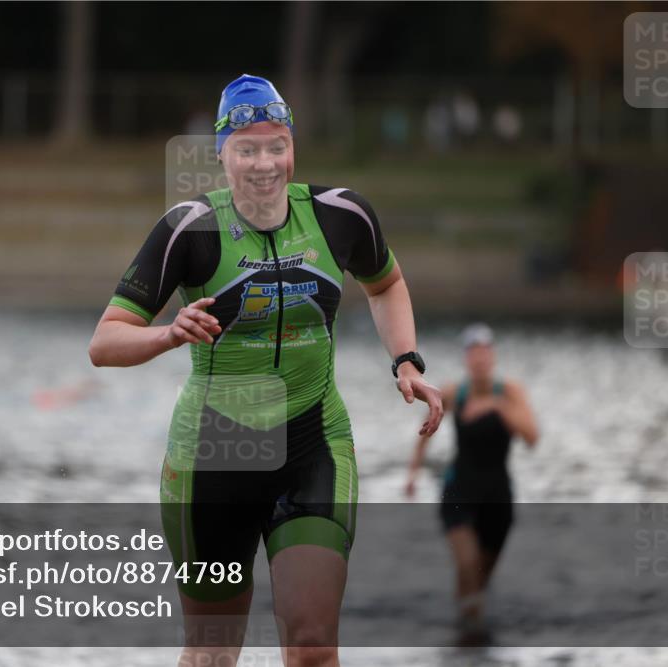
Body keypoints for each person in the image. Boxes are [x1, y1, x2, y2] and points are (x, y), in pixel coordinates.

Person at [90, 73, 443, 667]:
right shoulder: (190, 227)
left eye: (276, 145)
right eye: (246, 148)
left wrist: (404, 359)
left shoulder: (341, 216)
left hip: (313, 443)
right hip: (214, 452)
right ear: (222, 154)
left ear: (292, 147)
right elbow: (105, 342)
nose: (263, 163)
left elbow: (387, 285)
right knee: (212, 655)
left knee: (311, 645)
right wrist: (168, 333)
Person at [404, 323, 538, 643]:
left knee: (481, 575)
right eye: (473, 354)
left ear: (492, 357)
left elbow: (532, 437)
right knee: (467, 563)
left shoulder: (509, 392)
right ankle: (466, 635)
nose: (479, 360)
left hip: (498, 495)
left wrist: (499, 407)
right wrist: (413, 473)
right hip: (459, 490)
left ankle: (469, 629)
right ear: (466, 359)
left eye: (484, 353)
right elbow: (425, 432)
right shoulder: (454, 393)